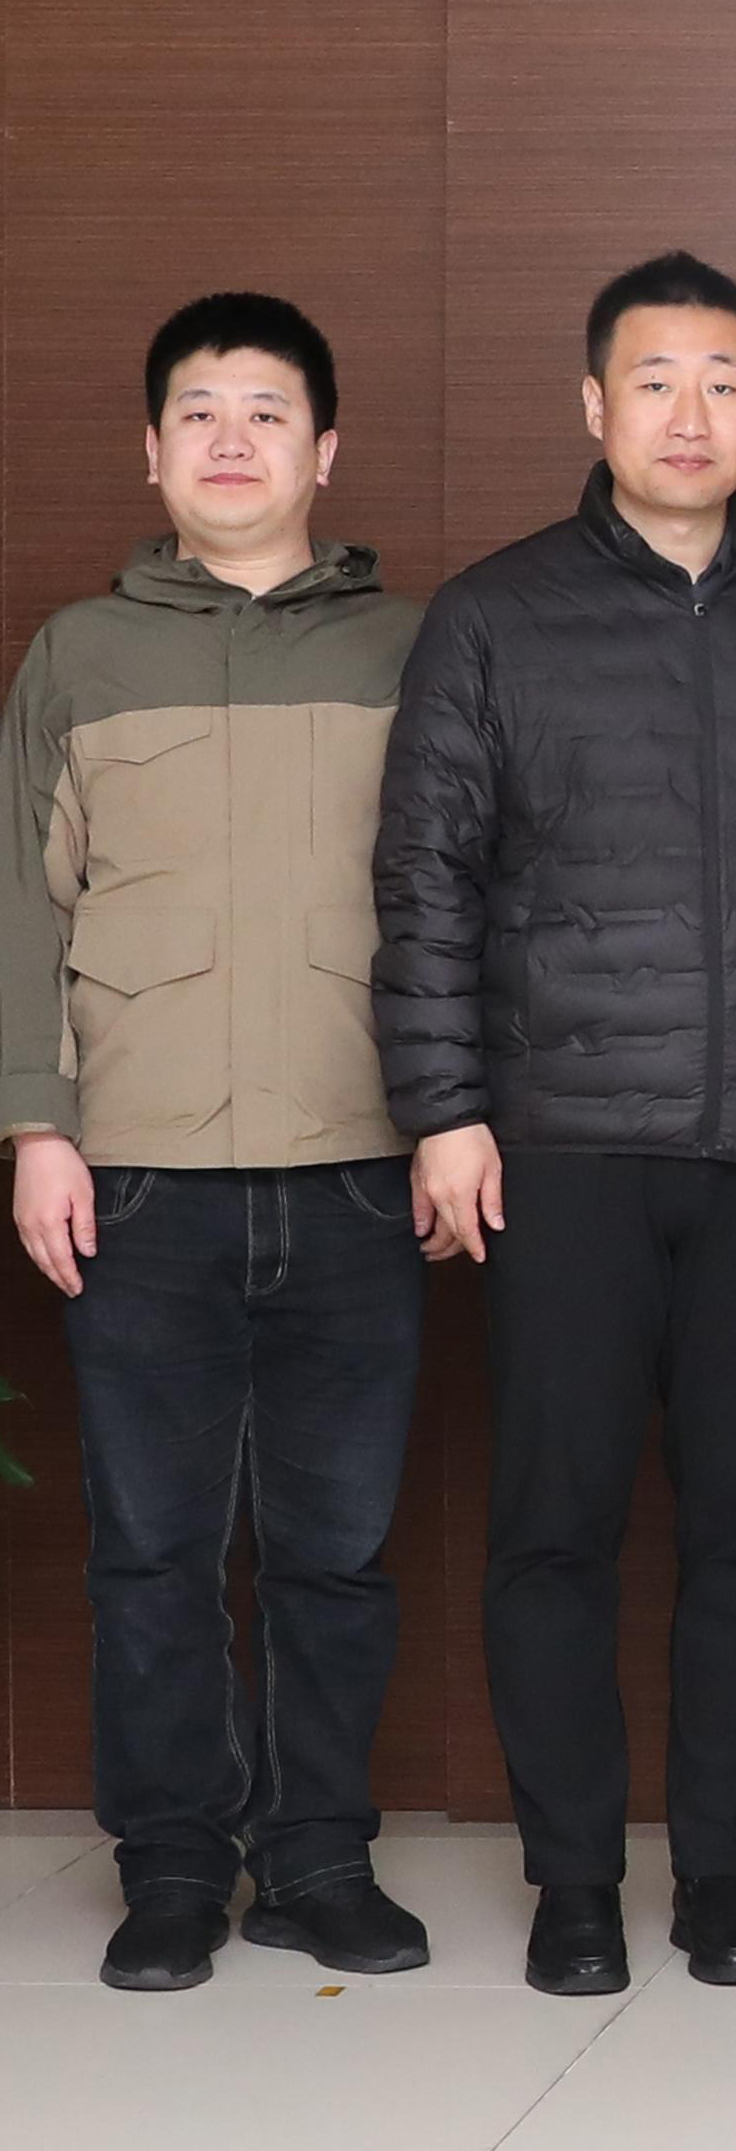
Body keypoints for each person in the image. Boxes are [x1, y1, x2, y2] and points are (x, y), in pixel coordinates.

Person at [374, 252, 736, 1997]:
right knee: (553, 1530)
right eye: (653, 379)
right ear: (594, 405)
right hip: (561, 1152)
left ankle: (722, 1876)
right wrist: (444, 1109)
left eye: (721, 380)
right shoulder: (494, 614)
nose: (687, 412)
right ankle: (574, 1882)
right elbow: (423, 878)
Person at [1, 297, 430, 1992]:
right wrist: (35, 1124)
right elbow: (23, 908)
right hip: (135, 1174)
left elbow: (468, 895)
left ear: (326, 450)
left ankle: (320, 1856)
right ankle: (174, 1863)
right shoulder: (79, 655)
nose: (232, 439)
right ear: (152, 451)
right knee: (152, 1549)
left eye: (267, 411)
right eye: (198, 411)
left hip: (359, 1163)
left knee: (339, 1549)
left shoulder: (412, 649)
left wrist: (458, 1119)